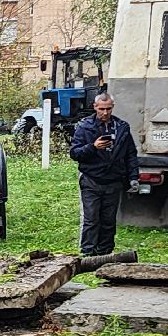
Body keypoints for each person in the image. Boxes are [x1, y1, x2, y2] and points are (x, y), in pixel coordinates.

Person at [69, 92, 138, 256]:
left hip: (114, 180)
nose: (105, 113)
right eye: (101, 109)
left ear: (112, 107)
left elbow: (131, 154)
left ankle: (105, 253)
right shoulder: (84, 126)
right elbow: (75, 153)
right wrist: (93, 147)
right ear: (95, 107)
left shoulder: (122, 127)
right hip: (91, 180)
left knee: (108, 220)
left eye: (108, 109)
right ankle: (88, 253)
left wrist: (134, 177)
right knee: (91, 219)